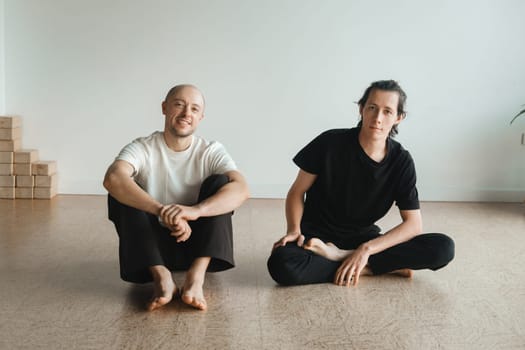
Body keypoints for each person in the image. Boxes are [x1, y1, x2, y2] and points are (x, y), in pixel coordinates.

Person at [267, 80, 454, 286]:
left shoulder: (401, 161)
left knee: (443, 248)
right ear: (361, 109)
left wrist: (365, 249)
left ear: (399, 118)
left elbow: (413, 224)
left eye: (387, 111)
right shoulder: (329, 142)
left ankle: (345, 258)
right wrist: (294, 230)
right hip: (316, 237)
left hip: (364, 238)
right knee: (281, 264)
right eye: (372, 108)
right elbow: (296, 192)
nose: (377, 118)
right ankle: (378, 266)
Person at [103, 84, 249, 310]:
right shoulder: (143, 147)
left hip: (197, 245)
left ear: (201, 117)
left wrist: (194, 211)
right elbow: (113, 177)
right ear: (164, 108)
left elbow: (242, 189)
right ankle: (162, 278)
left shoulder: (210, 150)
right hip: (150, 248)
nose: (186, 114)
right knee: (121, 191)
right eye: (179, 105)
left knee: (221, 183)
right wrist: (162, 210)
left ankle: (195, 278)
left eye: (194, 109)